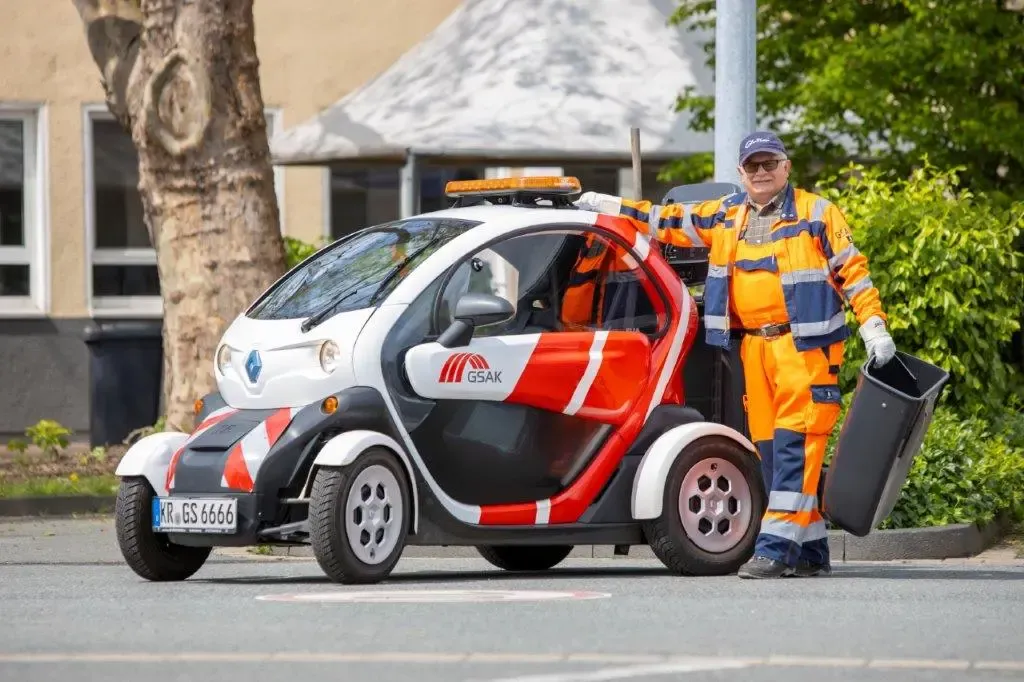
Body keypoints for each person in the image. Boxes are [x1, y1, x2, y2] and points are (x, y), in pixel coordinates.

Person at [574, 131, 896, 579]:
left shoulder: (816, 212)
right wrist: (606, 205)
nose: (762, 173)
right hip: (754, 350)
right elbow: (663, 220)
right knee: (768, 451)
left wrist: (873, 325)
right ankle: (810, 549)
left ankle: (776, 547)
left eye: (770, 164)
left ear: (786, 167)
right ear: (741, 173)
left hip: (805, 351)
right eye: (753, 166)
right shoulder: (726, 215)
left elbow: (852, 271)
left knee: (793, 447)